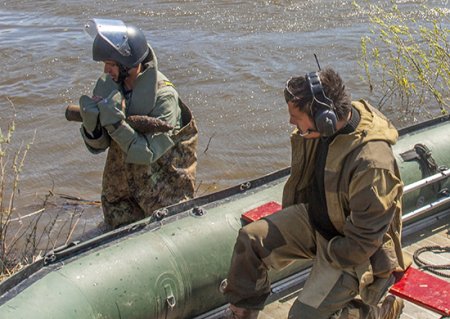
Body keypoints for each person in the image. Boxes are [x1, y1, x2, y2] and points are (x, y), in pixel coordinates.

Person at [222, 68, 408, 319]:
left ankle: (377, 312)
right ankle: (242, 314)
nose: (291, 123)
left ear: (325, 118)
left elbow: (362, 243)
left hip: (353, 249)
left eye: (295, 116)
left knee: (301, 317)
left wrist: (327, 256)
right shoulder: (326, 129)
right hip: (321, 221)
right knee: (250, 240)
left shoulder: (371, 164)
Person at [78, 19, 198, 229]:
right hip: (122, 197)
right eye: (105, 64)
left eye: (112, 64)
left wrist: (116, 124)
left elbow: (147, 154)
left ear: (130, 64)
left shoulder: (164, 97)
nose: (106, 70)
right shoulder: (113, 88)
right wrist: (93, 127)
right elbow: (98, 147)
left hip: (162, 197)